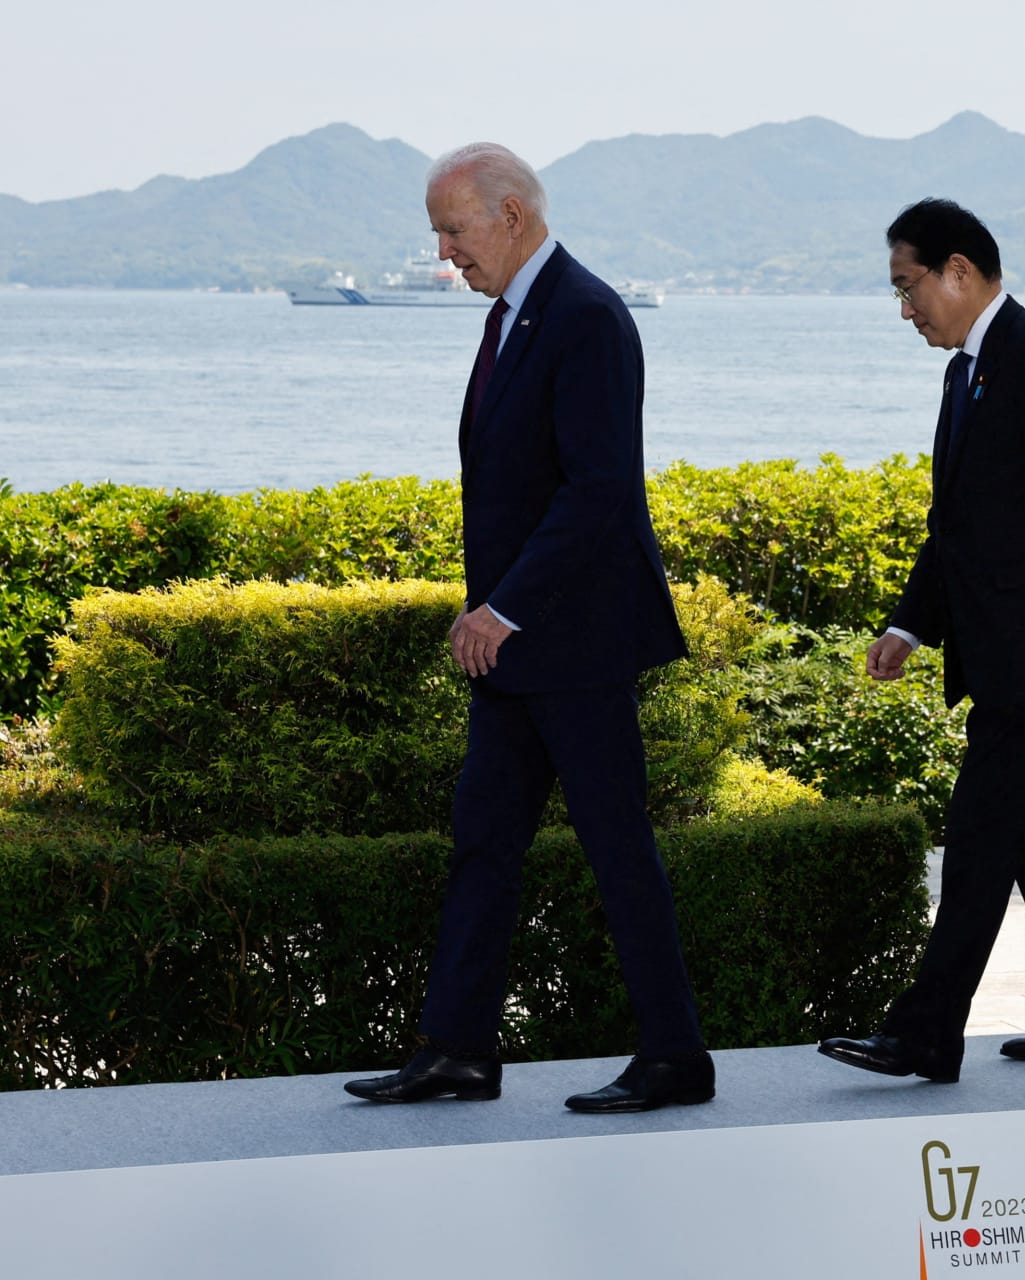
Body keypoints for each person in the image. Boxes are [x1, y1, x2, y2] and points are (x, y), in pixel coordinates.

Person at [344, 142, 712, 1112]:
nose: (444, 252)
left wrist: (500, 609)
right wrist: (498, 618)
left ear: (510, 216)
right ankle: (457, 1050)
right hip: (515, 654)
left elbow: (599, 490)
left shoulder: (586, 315)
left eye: (453, 230)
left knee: (616, 847)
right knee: (483, 841)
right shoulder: (513, 315)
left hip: (574, 646)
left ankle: (677, 1056)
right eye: (438, 234)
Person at [817, 199, 1025, 1083]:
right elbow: (957, 525)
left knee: (977, 838)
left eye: (909, 287)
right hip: (998, 647)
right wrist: (908, 625)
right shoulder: (965, 372)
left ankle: (927, 1030)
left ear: (959, 271)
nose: (905, 310)